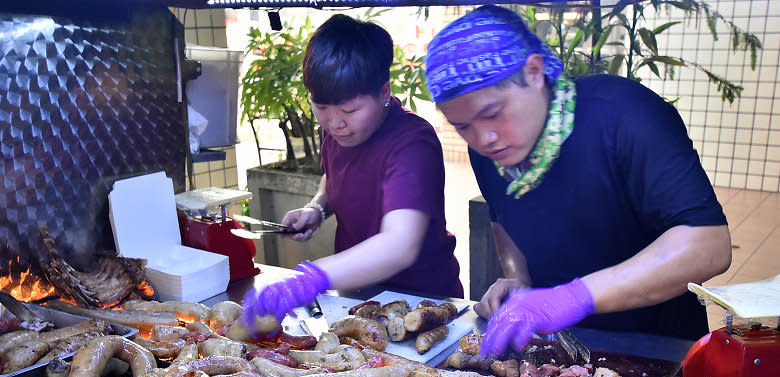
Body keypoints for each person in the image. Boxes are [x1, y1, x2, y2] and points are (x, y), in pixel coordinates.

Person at [424, 5, 731, 357]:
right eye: (463, 126)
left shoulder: (626, 115)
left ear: (535, 71)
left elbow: (709, 245)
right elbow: (502, 218)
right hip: (557, 347)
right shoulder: (487, 149)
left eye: (492, 113)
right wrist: (518, 278)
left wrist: (573, 297)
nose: (483, 139)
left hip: (657, 346)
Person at [242, 14, 462, 331]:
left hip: (421, 305)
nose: (334, 123)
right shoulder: (338, 132)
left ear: (384, 92)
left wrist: (310, 279)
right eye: (322, 108)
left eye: (350, 110)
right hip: (357, 301)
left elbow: (400, 244)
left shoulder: (413, 143)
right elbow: (333, 175)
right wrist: (317, 207)